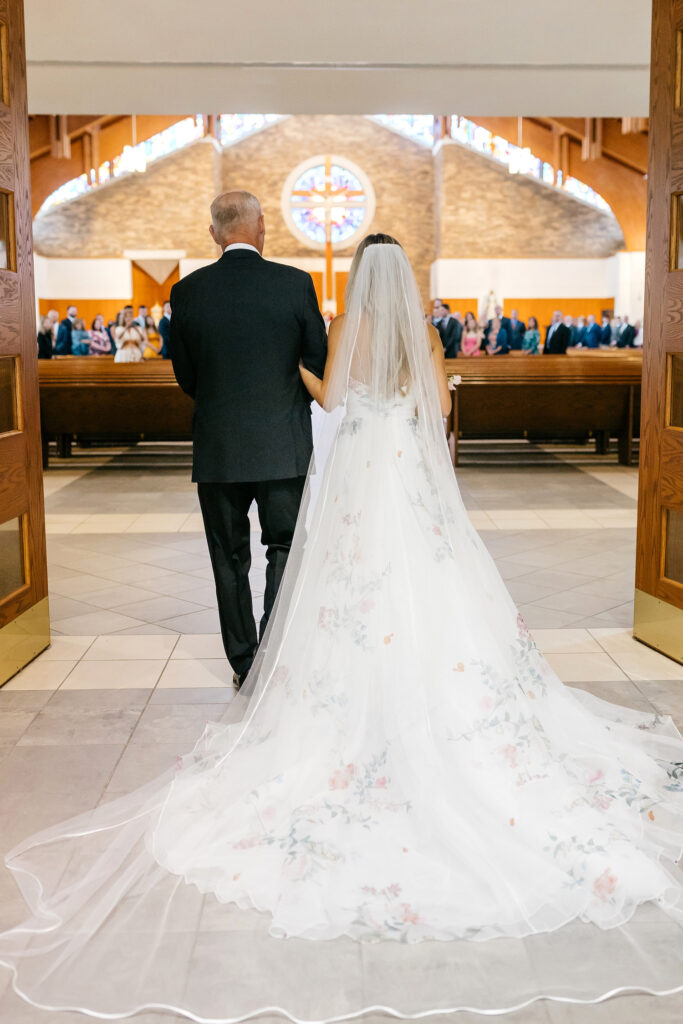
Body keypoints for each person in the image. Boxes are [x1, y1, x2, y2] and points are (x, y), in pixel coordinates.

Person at [2, 231, 683, 1024]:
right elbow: (439, 405)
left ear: (361, 279)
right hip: (406, 475)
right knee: (432, 585)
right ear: (408, 279)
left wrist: (288, 370)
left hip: (362, 475)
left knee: (345, 588)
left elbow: (329, 398)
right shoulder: (425, 333)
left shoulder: (350, 326)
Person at [169, 189, 327, 689]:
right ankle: (274, 650)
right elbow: (316, 361)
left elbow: (186, 375)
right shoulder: (295, 284)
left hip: (218, 448)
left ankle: (243, 661)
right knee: (282, 546)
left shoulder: (187, 291)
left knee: (228, 554)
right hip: (283, 444)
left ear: (214, 233)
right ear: (261, 228)